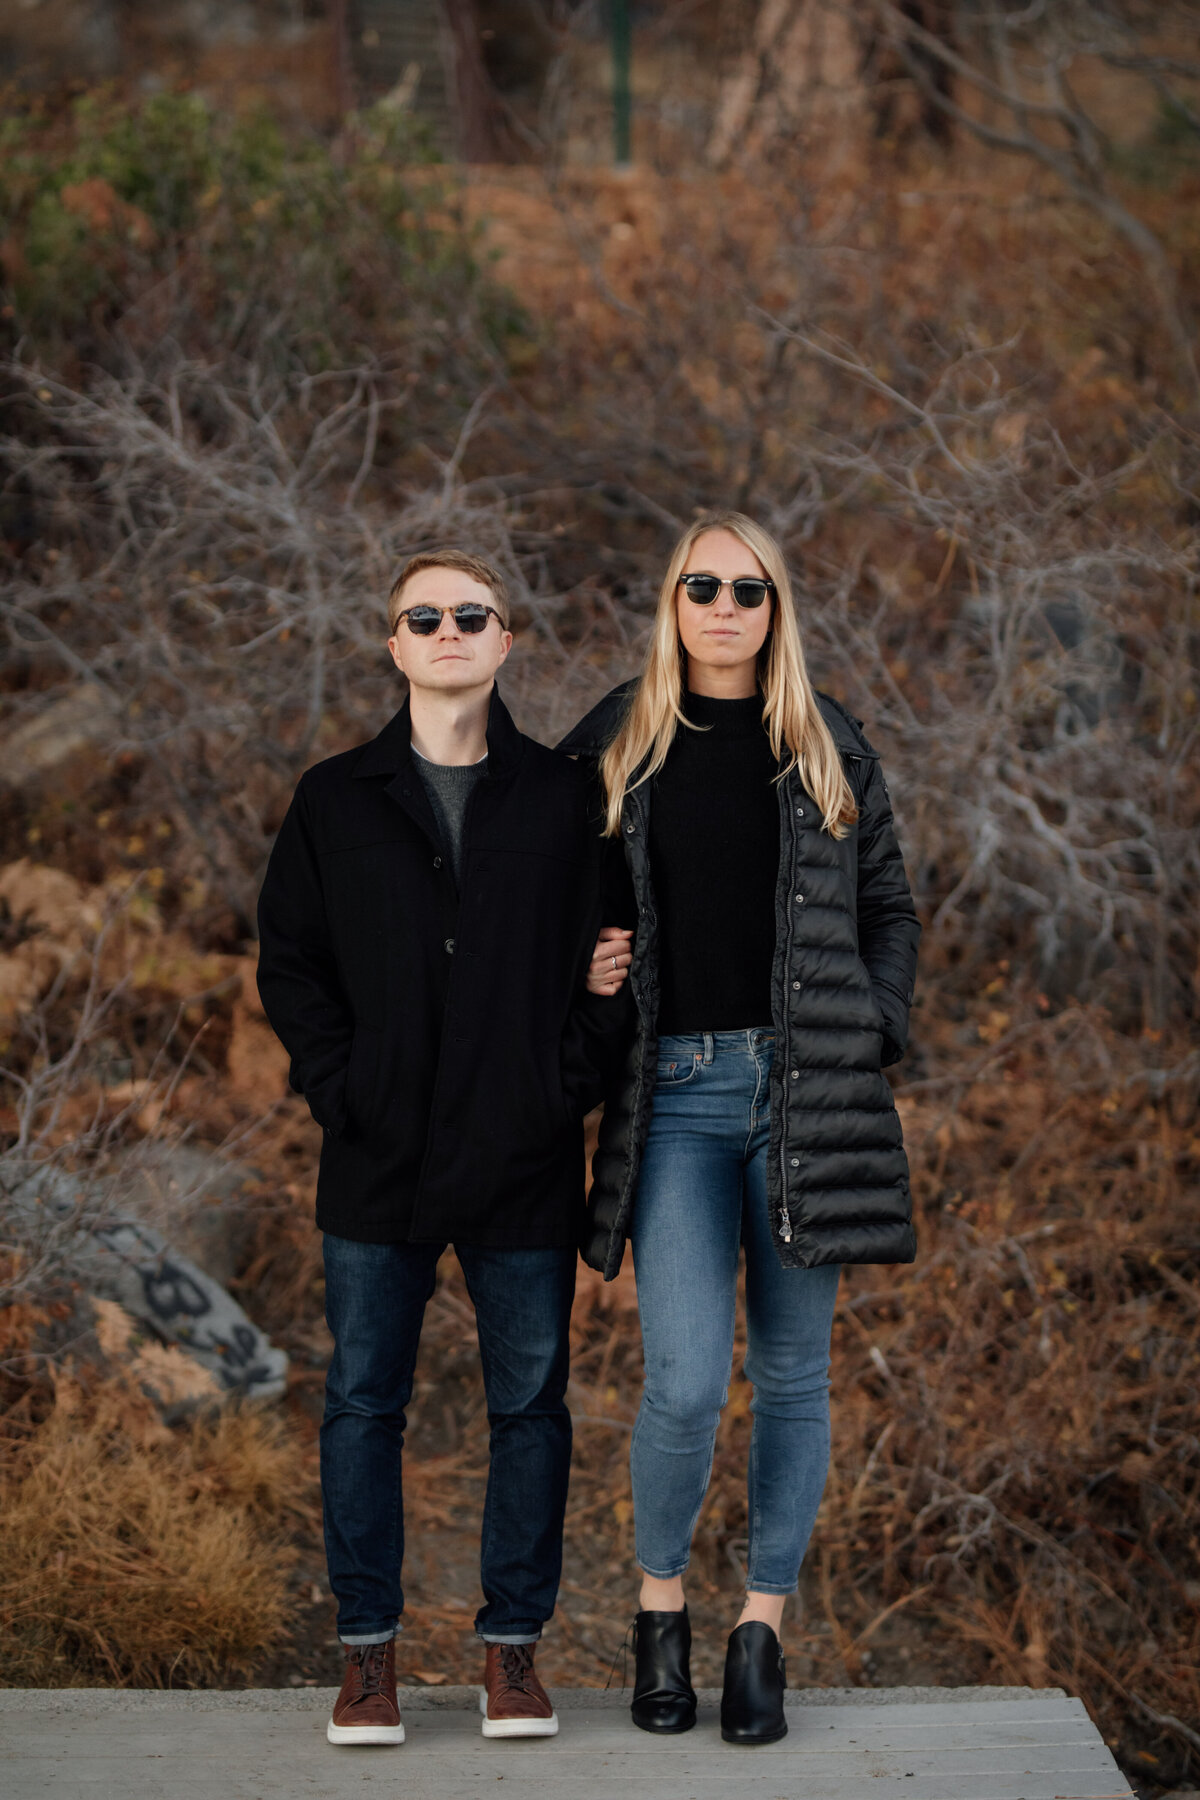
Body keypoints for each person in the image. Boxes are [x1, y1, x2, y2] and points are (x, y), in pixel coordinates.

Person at [559, 511, 920, 1747]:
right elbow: (539, 881)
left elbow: (890, 910)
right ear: (673, 600)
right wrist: (583, 969)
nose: (724, 606)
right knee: (680, 1383)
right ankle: (659, 1615)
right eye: (702, 585)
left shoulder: (824, 740)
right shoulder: (620, 735)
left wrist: (870, 1029)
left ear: (776, 608)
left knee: (794, 1383)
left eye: (748, 589)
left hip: (802, 1100)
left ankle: (759, 1631)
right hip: (675, 1098)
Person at [257, 549, 628, 1748]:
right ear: (395, 644)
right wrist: (341, 1088)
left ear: (507, 640)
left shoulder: (568, 797)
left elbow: (614, 960)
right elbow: (291, 964)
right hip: (378, 1157)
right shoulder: (335, 797)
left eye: (473, 614)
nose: (450, 630)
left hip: (521, 1154)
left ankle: (511, 1657)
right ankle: (369, 1665)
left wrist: (558, 1082)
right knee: (364, 1405)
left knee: (530, 1407)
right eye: (426, 616)